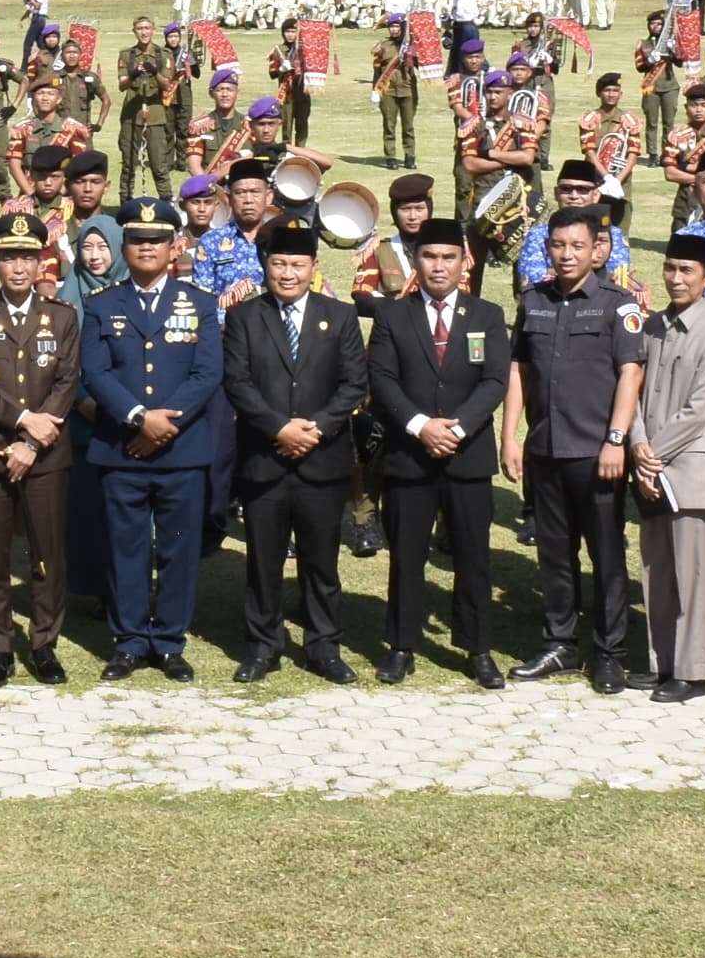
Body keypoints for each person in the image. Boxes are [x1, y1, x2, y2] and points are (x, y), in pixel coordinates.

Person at [82, 195, 227, 678]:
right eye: (138, 240)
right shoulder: (102, 304)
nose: (147, 247)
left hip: (181, 451)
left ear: (173, 247)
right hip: (121, 449)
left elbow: (208, 372)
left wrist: (166, 424)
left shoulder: (200, 303)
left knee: (178, 549)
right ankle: (127, 640)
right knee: (125, 548)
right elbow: (95, 371)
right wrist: (138, 417)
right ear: (125, 247)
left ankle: (168, 641)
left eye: (157, 240)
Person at [508, 206, 647, 689]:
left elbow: (631, 373)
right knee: (555, 555)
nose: (566, 255)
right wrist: (511, 436)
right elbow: (519, 370)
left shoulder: (617, 304)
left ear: (596, 251)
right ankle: (561, 644)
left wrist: (616, 440)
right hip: (546, 450)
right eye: (558, 245)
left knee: (606, 556)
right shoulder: (534, 301)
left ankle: (610, 652)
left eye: (577, 246)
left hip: (596, 454)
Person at [368, 221, 512, 685]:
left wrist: (459, 428)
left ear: (464, 262)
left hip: (467, 456)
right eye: (429, 256)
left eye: (449, 257)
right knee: (406, 555)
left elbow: (495, 380)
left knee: (473, 557)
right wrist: (420, 426)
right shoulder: (393, 315)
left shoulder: (487, 314)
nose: (438, 266)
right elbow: (382, 379)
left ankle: (477, 648)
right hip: (410, 455)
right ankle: (402, 645)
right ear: (416, 260)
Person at [225, 217, 365, 684]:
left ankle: (324, 646)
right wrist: (279, 429)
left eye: (297, 265)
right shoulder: (245, 317)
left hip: (322, 461)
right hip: (264, 460)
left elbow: (354, 384)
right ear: (266, 265)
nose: (287, 274)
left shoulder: (340, 315)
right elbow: (238, 383)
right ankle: (262, 646)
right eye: (279, 264)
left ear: (313, 266)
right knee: (263, 562)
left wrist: (316, 428)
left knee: (321, 562)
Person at [0, 211, 81, 686]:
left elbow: (67, 382)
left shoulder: (61, 316)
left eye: (27, 257)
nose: (19, 267)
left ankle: (44, 644)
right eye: (9, 258)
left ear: (40, 262)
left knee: (48, 553)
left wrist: (31, 441)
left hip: (45, 455)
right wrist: (24, 422)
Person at [623, 226, 705, 703]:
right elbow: (633, 392)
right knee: (656, 569)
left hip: (687, 469)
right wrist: (637, 444)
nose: (676, 278)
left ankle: (692, 672)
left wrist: (652, 455)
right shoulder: (652, 327)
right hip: (648, 465)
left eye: (687, 270)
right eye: (670, 268)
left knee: (691, 575)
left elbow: (699, 409)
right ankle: (662, 663)